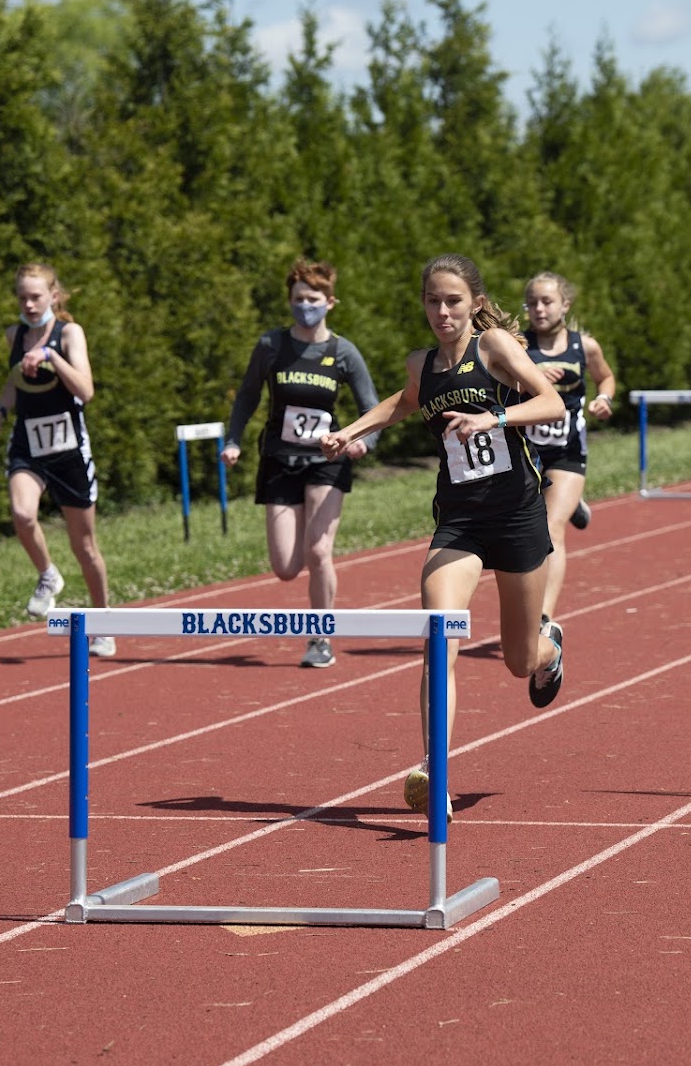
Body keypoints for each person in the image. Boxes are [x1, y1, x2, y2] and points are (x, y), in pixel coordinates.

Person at [320, 253, 567, 820]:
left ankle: (551, 648)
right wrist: (348, 432)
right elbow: (405, 401)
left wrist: (493, 418)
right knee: (440, 638)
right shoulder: (422, 363)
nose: (442, 312)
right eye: (433, 301)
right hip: (459, 521)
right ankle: (436, 771)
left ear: (474, 304)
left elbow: (550, 401)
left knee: (519, 660)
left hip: (517, 515)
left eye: (453, 301)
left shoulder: (495, 346)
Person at [222, 257, 380, 669]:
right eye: (298, 299)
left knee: (319, 550)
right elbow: (247, 395)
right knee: (286, 567)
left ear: (330, 302)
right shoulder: (271, 346)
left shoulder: (342, 352)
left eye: (312, 299)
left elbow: (372, 408)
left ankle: (320, 638)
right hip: (280, 459)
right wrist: (233, 440)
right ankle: (316, 626)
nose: (304, 306)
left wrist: (363, 442)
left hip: (327, 460)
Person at [0, 263, 115, 656]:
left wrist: (51, 356)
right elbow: (14, 381)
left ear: (53, 296)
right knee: (22, 515)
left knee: (84, 545)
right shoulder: (15, 335)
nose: (28, 304)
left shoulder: (69, 333)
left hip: (69, 448)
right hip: (29, 444)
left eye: (36, 296)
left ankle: (104, 623)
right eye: (22, 297)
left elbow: (86, 391)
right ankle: (47, 575)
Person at [522, 270, 615, 629]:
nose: (539, 309)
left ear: (565, 304)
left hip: (567, 450)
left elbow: (605, 377)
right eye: (532, 303)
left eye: (546, 302)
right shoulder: (516, 346)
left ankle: (543, 616)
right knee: (525, 532)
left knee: (551, 527)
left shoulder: (584, 346)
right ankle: (571, 501)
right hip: (526, 451)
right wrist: (528, 380)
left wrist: (604, 399)